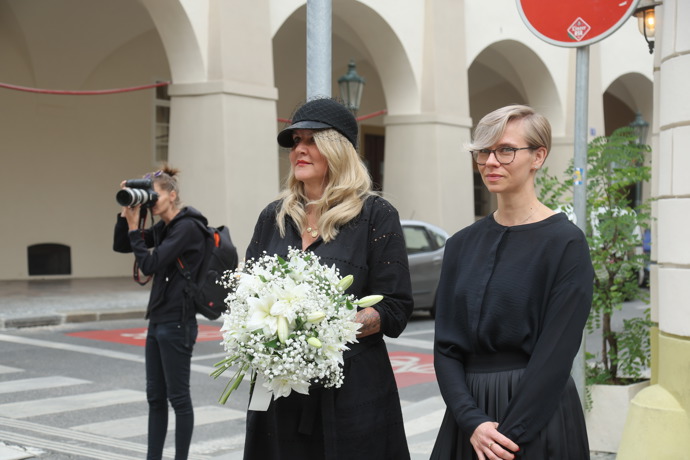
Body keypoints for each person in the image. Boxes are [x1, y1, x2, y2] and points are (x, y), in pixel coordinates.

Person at [243, 97, 414, 460]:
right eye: (295, 141)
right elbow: (247, 294)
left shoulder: (375, 215)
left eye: (311, 140)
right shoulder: (273, 217)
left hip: (351, 393)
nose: (299, 150)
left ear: (338, 149)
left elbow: (395, 308)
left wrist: (324, 332)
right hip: (280, 390)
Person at [431, 105, 593, 460]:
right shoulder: (460, 244)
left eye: (505, 150)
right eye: (483, 151)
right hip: (469, 420)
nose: (491, 162)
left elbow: (557, 353)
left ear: (538, 156)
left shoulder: (566, 243)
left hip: (537, 416)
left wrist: (508, 437)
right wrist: (472, 422)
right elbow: (446, 347)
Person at [113, 165, 207, 460]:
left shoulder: (187, 227)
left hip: (178, 322)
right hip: (157, 320)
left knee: (178, 399)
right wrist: (126, 214)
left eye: (155, 195)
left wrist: (134, 230)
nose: (151, 201)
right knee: (155, 398)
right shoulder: (165, 228)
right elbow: (121, 245)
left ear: (172, 195)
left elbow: (150, 265)